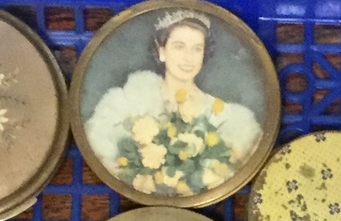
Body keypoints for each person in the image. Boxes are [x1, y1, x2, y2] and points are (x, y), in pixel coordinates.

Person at [83, 10, 262, 197]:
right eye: (179, 47)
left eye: (197, 49)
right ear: (162, 52)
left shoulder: (222, 114)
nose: (188, 58)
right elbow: (103, 149)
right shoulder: (132, 100)